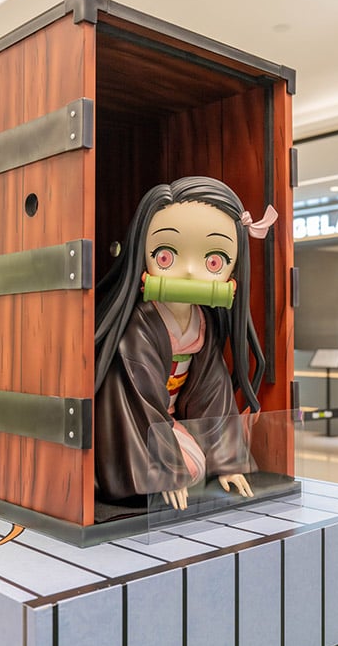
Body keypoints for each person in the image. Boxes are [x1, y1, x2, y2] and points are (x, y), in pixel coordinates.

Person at [94, 176, 277, 510]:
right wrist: (166, 471)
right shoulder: (137, 326)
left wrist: (226, 460)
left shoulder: (203, 321)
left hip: (171, 423)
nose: (190, 272)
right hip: (138, 429)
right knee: (188, 466)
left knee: (199, 464)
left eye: (213, 261)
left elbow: (212, 394)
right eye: (166, 256)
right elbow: (140, 402)